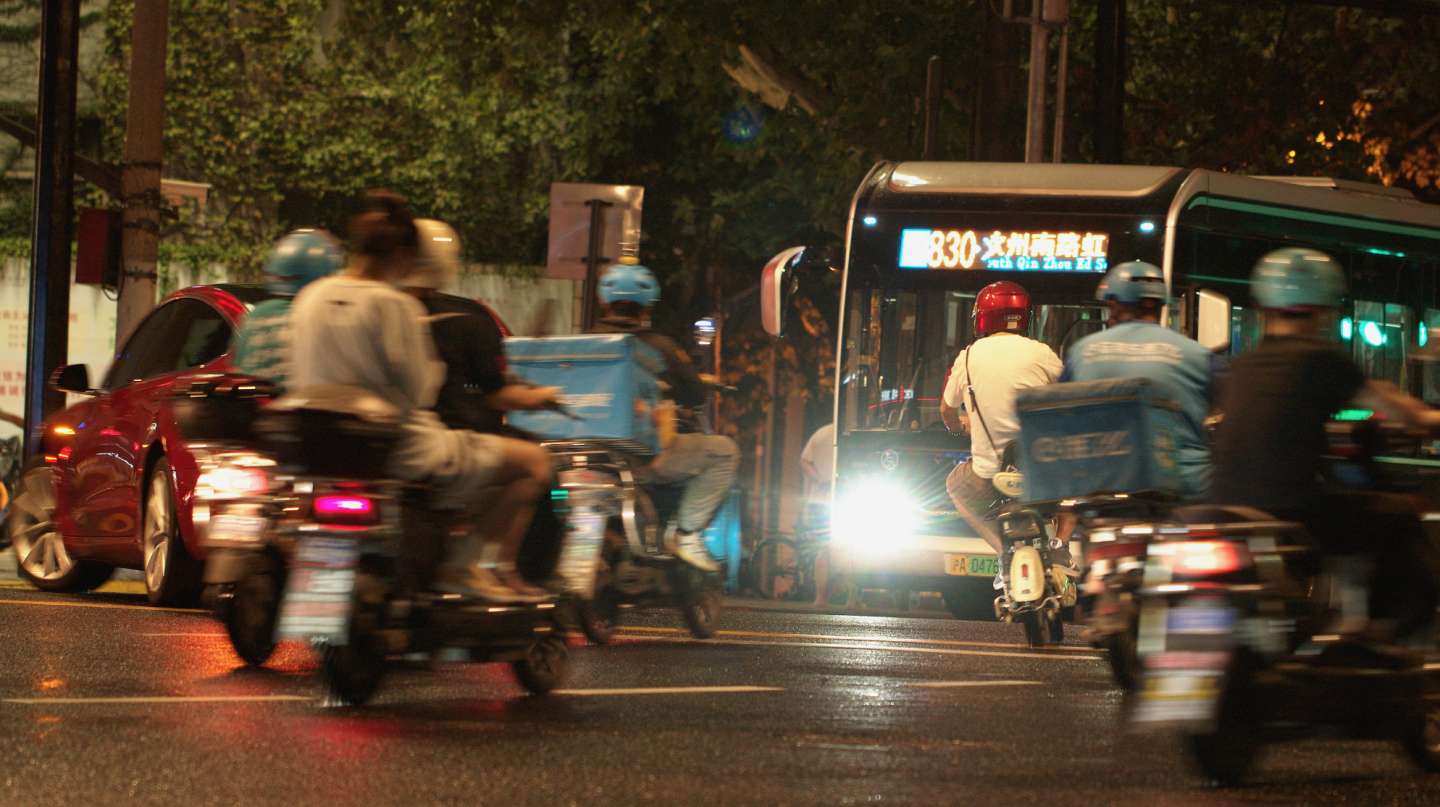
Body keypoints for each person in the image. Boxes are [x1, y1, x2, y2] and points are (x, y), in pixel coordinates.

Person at [289, 191, 555, 604]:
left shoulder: (310, 297)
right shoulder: (392, 304)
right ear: (401, 254)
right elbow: (419, 390)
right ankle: (464, 564)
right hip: (399, 449)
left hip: (322, 447)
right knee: (534, 464)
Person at [1211, 247, 1440, 642]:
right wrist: (1426, 420)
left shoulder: (1244, 363)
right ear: (1324, 308)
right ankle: (1378, 631)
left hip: (1224, 506)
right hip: (1293, 512)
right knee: (1395, 512)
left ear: (1262, 305)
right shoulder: (1324, 360)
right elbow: (1399, 412)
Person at [589, 258, 740, 572]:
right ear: (647, 308)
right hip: (640, 458)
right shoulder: (660, 348)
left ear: (604, 304)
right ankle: (686, 533)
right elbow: (695, 395)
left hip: (586, 457)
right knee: (724, 452)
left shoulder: (581, 345)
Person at [1060, 261, 1223, 501]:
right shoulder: (1199, 356)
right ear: (1161, 304)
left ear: (1113, 304)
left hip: (1106, 489)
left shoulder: (1081, 352)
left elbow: (1060, 416)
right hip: (1186, 490)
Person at [939, 281, 1064, 578]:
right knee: (1073, 489)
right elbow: (1072, 395)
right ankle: (1061, 546)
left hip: (989, 477)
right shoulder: (1042, 353)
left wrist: (960, 427)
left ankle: (1003, 554)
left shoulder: (968, 356)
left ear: (981, 316)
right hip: (1040, 471)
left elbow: (946, 409)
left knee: (955, 489)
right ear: (1025, 317)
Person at [232, 229, 342, 389]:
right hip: (305, 410)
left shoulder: (255, 315)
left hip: (258, 409)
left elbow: (239, 370)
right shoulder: (326, 317)